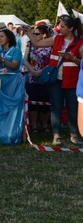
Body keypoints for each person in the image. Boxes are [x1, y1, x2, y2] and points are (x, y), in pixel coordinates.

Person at [26, 15, 83, 145]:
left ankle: (74, 135)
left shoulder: (80, 43)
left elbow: (82, 63)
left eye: (62, 26)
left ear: (71, 28)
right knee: (56, 108)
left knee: (72, 108)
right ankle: (56, 136)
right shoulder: (56, 38)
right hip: (55, 80)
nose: (59, 28)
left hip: (72, 81)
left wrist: (72, 58)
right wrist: (29, 32)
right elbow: (37, 43)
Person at [0, 27, 25, 145]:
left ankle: (10, 132)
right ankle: (0, 130)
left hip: (11, 84)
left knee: (10, 109)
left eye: (1, 36)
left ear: (8, 38)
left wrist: (1, 59)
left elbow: (15, 66)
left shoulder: (15, 51)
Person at [23, 24, 53, 133]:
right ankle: (34, 125)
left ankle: (45, 125)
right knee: (32, 102)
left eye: (36, 34)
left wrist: (41, 71)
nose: (34, 35)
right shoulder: (29, 44)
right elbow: (25, 59)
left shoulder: (51, 45)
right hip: (31, 77)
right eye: (33, 33)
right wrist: (33, 71)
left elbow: (53, 61)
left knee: (44, 101)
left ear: (44, 35)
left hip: (45, 76)